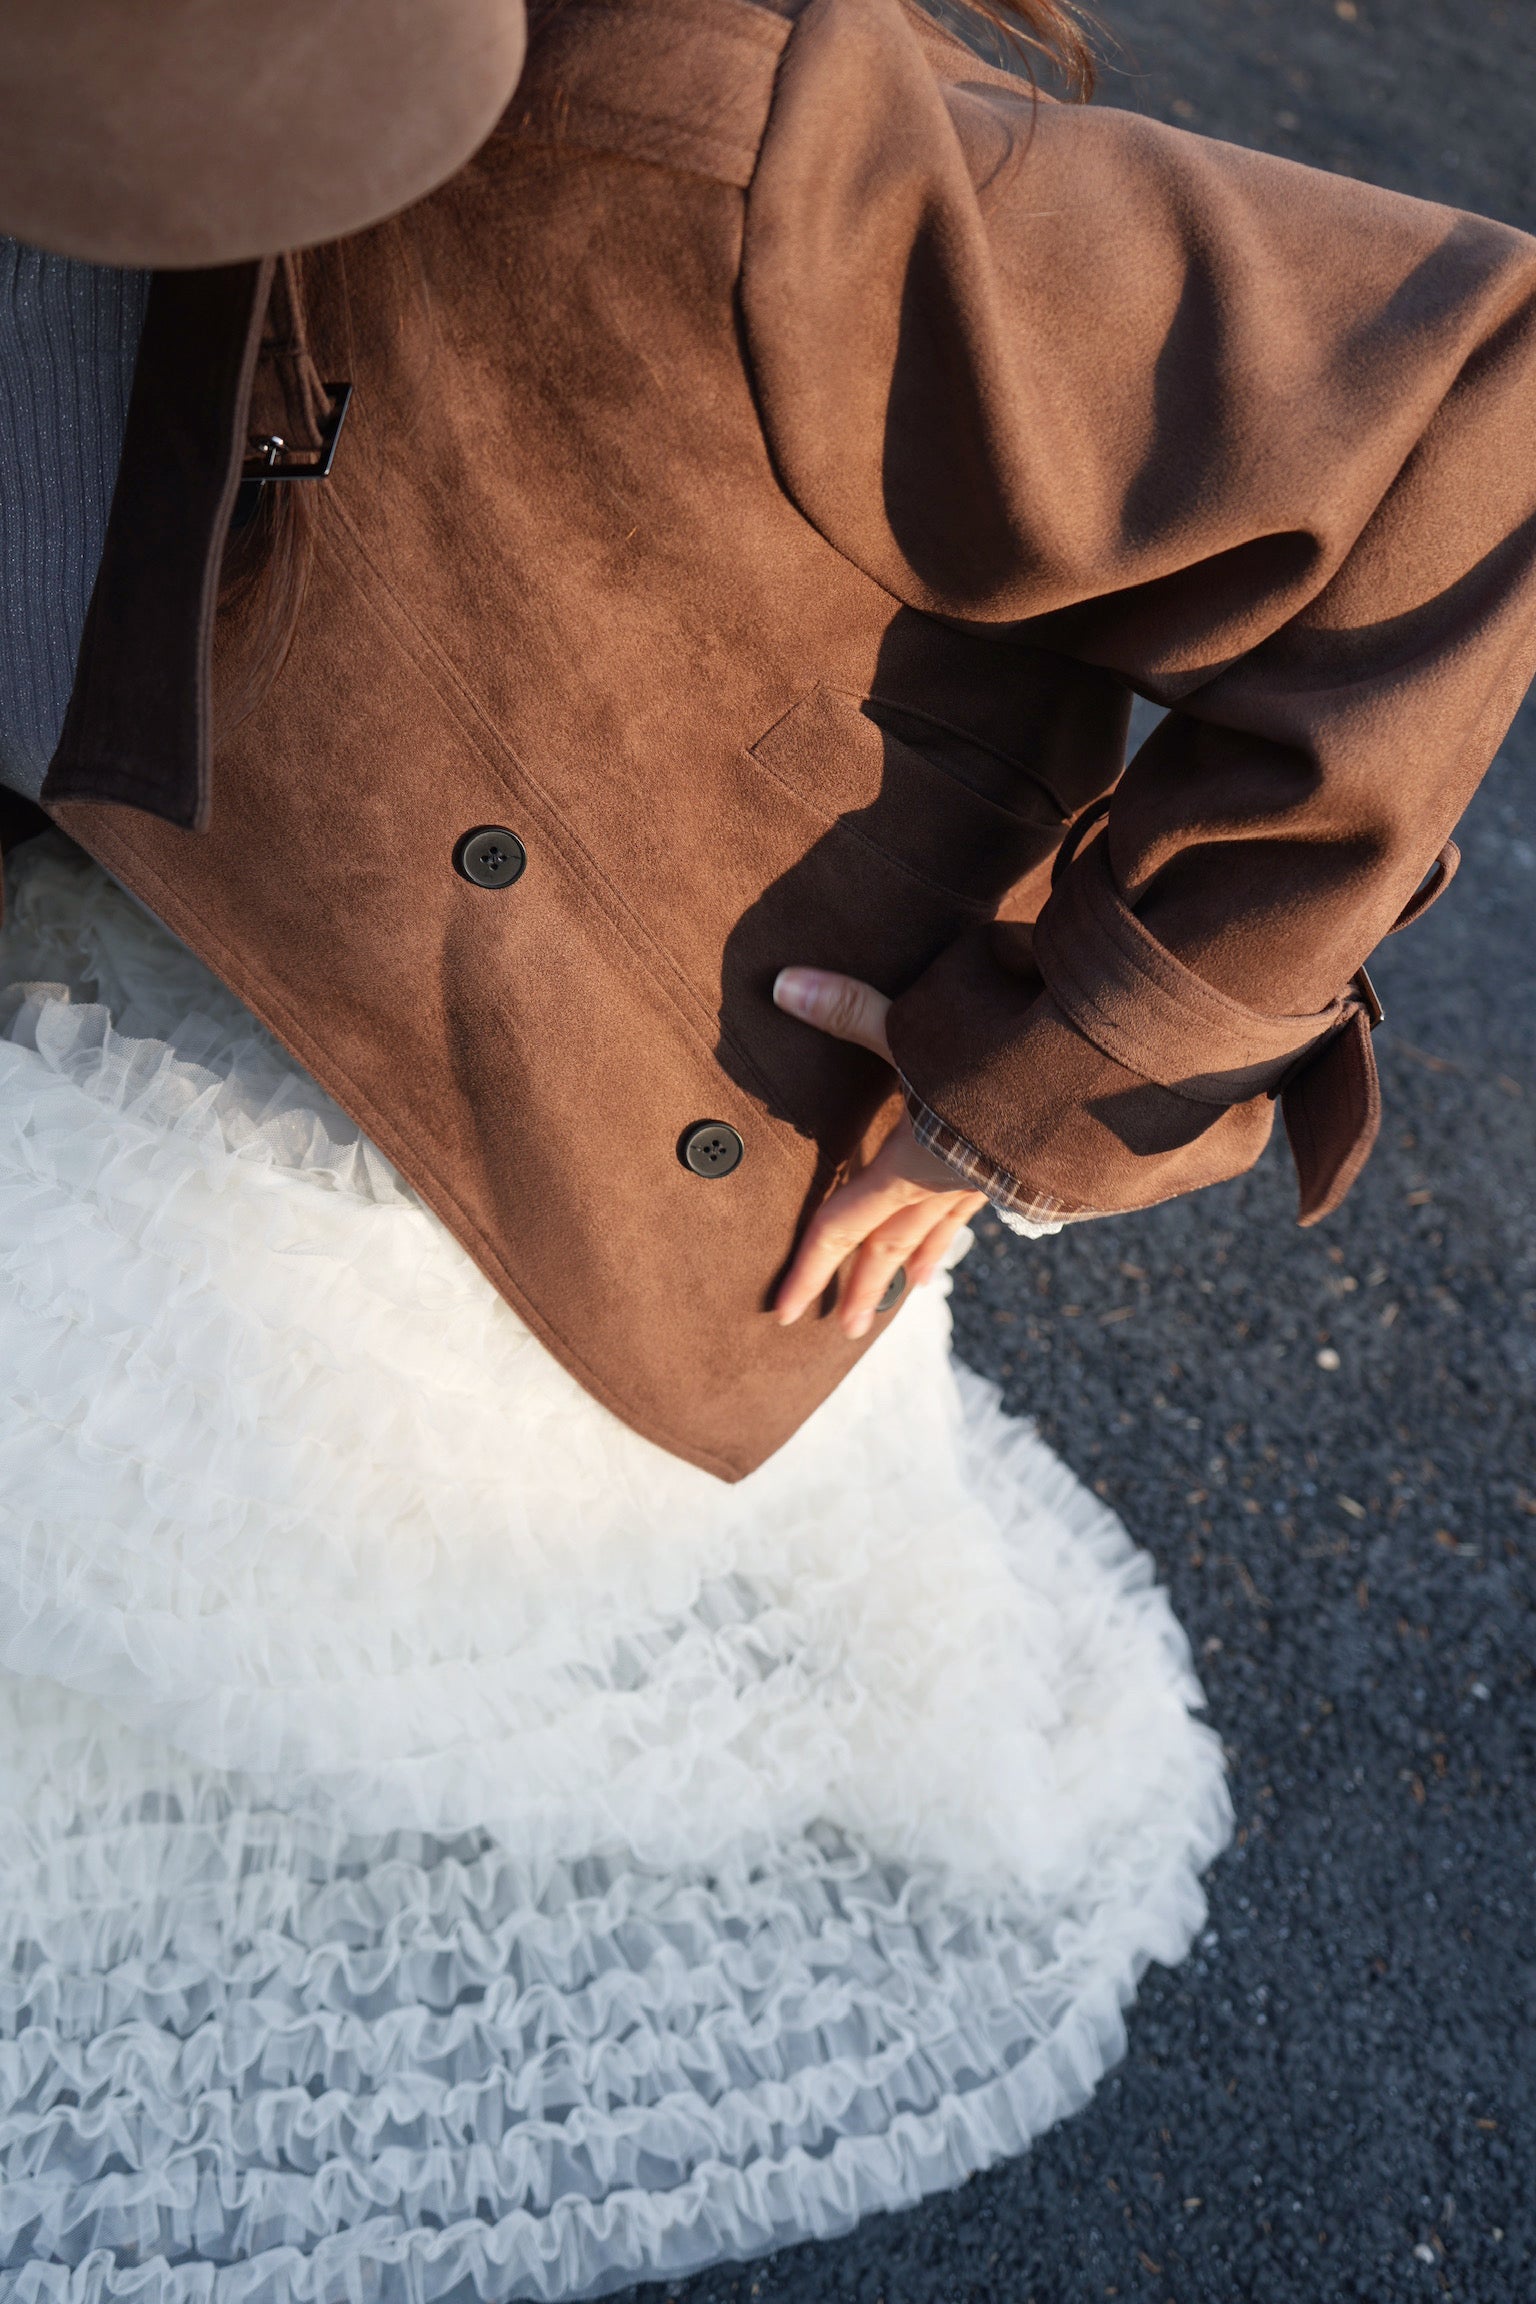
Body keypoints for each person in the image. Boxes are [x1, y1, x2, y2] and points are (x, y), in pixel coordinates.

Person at [1, 0, 1532, 2294]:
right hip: (159, 924)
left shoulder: (706, 132)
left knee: (366, 1698)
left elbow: (1470, 395)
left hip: (546, 1134)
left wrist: (1064, 1058)